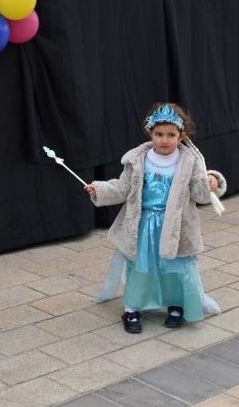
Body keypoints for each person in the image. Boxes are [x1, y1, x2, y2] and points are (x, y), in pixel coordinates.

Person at [85, 103, 225, 333]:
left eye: (171, 135)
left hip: (175, 227)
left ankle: (175, 305)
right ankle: (132, 308)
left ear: (182, 135)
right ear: (150, 133)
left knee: (173, 268)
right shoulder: (138, 160)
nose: (164, 140)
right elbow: (123, 187)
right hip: (143, 225)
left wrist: (211, 182)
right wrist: (99, 190)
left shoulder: (189, 162)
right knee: (141, 268)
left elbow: (200, 195)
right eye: (159, 134)